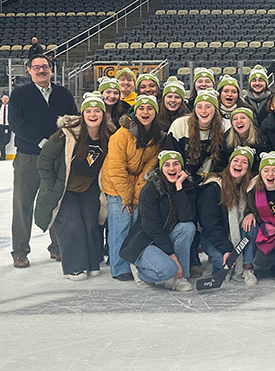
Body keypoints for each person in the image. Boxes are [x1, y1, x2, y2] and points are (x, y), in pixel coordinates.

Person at [35, 93, 115, 280]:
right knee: (72, 224)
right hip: (65, 189)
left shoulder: (109, 135)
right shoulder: (67, 133)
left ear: (103, 114)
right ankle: (73, 266)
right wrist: (51, 185)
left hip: (89, 188)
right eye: (88, 111)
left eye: (97, 111)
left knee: (90, 223)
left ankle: (91, 262)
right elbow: (45, 159)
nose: (93, 114)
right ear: (82, 113)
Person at [8, 51, 77, 268]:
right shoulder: (19, 95)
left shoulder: (63, 94)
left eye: (44, 66)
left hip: (57, 159)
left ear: (51, 69)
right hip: (28, 158)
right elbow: (17, 124)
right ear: (29, 71)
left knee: (56, 202)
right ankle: (20, 251)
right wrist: (41, 142)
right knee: (23, 204)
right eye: (36, 67)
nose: (41, 70)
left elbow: (73, 121)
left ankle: (58, 247)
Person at [101, 94, 164, 281]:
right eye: (141, 108)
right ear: (135, 112)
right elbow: (116, 167)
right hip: (115, 185)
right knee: (120, 224)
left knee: (136, 223)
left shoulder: (156, 137)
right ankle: (119, 267)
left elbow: (148, 168)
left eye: (150, 108)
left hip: (137, 185)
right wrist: (127, 197)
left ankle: (132, 261)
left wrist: (136, 196)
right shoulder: (121, 135)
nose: (145, 112)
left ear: (155, 112)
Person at [119, 150, 197, 292]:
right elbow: (151, 227)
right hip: (145, 242)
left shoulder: (186, 186)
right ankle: (140, 271)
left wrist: (179, 188)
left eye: (176, 164)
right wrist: (172, 256)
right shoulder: (150, 189)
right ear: (161, 169)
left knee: (188, 227)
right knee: (167, 270)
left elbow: (187, 217)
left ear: (182, 167)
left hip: (165, 238)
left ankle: (179, 278)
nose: (172, 168)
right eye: (167, 165)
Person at [198, 146, 259, 285]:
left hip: (237, 236)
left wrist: (250, 213)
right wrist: (226, 249)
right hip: (213, 236)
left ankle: (247, 267)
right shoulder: (213, 187)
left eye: (244, 162)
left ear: (248, 168)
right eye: (236, 160)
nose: (238, 164)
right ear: (229, 163)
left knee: (252, 225)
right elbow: (210, 224)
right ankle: (220, 262)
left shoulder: (249, 188)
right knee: (223, 264)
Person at [165, 89, 230, 185]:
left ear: (216, 109)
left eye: (208, 107)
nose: (203, 111)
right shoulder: (180, 124)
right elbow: (170, 155)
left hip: (209, 179)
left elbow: (222, 162)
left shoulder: (224, 127)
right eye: (199, 107)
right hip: (181, 177)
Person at [245, 151, 275, 284]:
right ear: (261, 173)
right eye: (266, 170)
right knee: (261, 262)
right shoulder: (252, 191)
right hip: (267, 232)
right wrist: (249, 213)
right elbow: (249, 207)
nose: (270, 174)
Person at [219, 107, 265, 173]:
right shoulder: (225, 139)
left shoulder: (261, 139)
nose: (239, 121)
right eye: (235, 119)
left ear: (250, 121)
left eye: (243, 118)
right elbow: (220, 165)